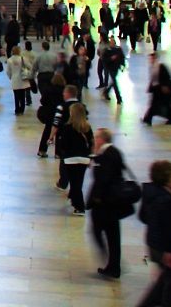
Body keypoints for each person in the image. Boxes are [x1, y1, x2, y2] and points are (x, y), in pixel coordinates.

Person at [137, 160, 171, 307]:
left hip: (154, 243)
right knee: (169, 279)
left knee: (166, 278)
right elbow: (168, 229)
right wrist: (169, 250)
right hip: (162, 247)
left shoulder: (152, 193)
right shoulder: (164, 200)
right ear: (164, 178)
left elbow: (143, 217)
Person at [87, 128, 127, 278]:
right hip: (111, 201)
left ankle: (111, 262)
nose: (94, 140)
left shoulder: (107, 155)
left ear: (101, 139)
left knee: (100, 230)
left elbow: (104, 178)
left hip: (106, 202)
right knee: (113, 234)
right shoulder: (113, 152)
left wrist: (96, 198)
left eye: (96, 137)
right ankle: (113, 265)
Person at [56, 102, 94, 216]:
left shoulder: (67, 128)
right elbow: (91, 143)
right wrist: (91, 156)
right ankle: (73, 198)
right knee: (78, 181)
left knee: (74, 183)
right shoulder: (87, 127)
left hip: (71, 159)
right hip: (84, 159)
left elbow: (63, 144)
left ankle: (79, 206)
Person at [143, 52, 171, 125]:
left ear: (156, 59)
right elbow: (153, 80)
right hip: (157, 89)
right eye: (150, 59)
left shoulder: (161, 67)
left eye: (152, 59)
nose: (150, 60)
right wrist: (150, 88)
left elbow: (167, 77)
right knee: (153, 104)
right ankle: (147, 119)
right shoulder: (151, 67)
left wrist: (165, 86)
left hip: (164, 90)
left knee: (166, 103)